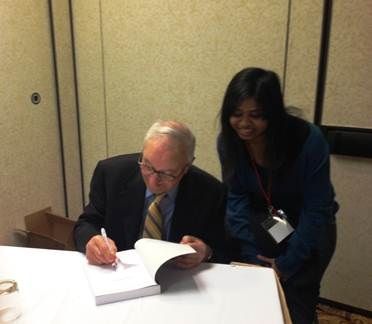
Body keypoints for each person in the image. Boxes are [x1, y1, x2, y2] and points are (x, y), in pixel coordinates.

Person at [217, 67, 338, 324]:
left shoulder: (308, 140)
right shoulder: (229, 141)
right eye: (236, 114)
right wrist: (254, 259)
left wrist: (287, 263)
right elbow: (236, 200)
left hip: (310, 224)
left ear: (273, 113)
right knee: (258, 296)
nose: (244, 124)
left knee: (297, 302)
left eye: (256, 115)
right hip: (270, 218)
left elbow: (316, 209)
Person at [74, 120, 228, 269]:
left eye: (167, 173)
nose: (154, 180)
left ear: (186, 167)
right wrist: (91, 240)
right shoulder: (111, 174)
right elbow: (86, 223)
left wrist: (206, 252)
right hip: (120, 273)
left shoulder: (210, 191)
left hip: (179, 282)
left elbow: (226, 248)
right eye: (147, 166)